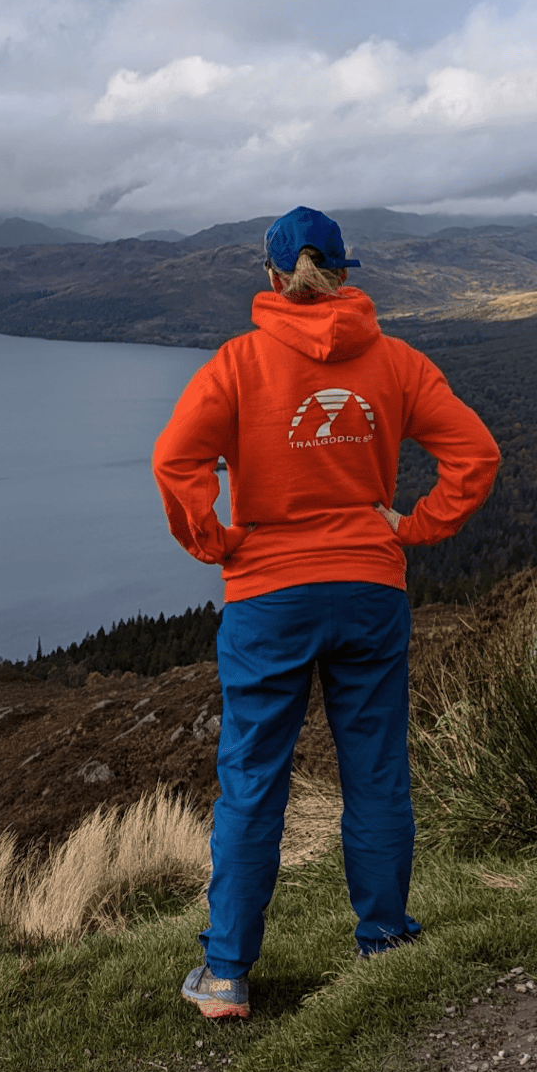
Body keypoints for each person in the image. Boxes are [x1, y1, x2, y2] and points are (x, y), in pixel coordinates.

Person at [152, 204, 500, 1020]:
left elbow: (178, 461)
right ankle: (383, 940)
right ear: (347, 274)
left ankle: (228, 973)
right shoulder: (397, 364)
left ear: (273, 277)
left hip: (268, 596)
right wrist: (412, 528)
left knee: (251, 784)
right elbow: (474, 455)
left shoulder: (238, 364)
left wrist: (218, 541)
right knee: (375, 772)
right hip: (370, 592)